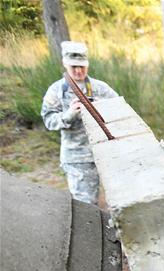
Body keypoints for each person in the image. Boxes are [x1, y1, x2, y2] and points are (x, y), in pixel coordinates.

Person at [41, 41, 118, 205]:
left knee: (120, 201)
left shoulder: (101, 88)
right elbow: (48, 120)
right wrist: (68, 115)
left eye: (82, 66)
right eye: (73, 66)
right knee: (86, 205)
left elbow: (120, 110)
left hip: (108, 152)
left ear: (87, 64)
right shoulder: (56, 90)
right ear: (65, 64)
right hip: (78, 158)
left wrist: (102, 108)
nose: (78, 70)